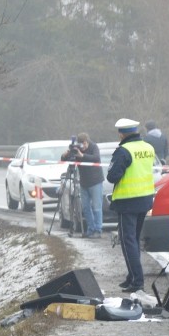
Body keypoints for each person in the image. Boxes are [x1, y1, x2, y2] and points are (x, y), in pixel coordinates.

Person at [107, 118, 156, 292]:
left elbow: (112, 176)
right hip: (145, 199)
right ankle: (131, 277)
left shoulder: (123, 151)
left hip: (127, 201)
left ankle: (137, 281)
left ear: (121, 133)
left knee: (128, 242)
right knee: (133, 240)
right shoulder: (148, 148)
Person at [61, 133, 105, 238]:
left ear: (87, 141)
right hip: (83, 182)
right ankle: (90, 229)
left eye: (85, 144)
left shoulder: (94, 147)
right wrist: (66, 155)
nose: (83, 146)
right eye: (81, 144)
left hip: (95, 181)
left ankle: (98, 230)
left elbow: (96, 158)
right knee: (85, 207)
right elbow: (64, 160)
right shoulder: (76, 149)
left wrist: (82, 155)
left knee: (96, 207)